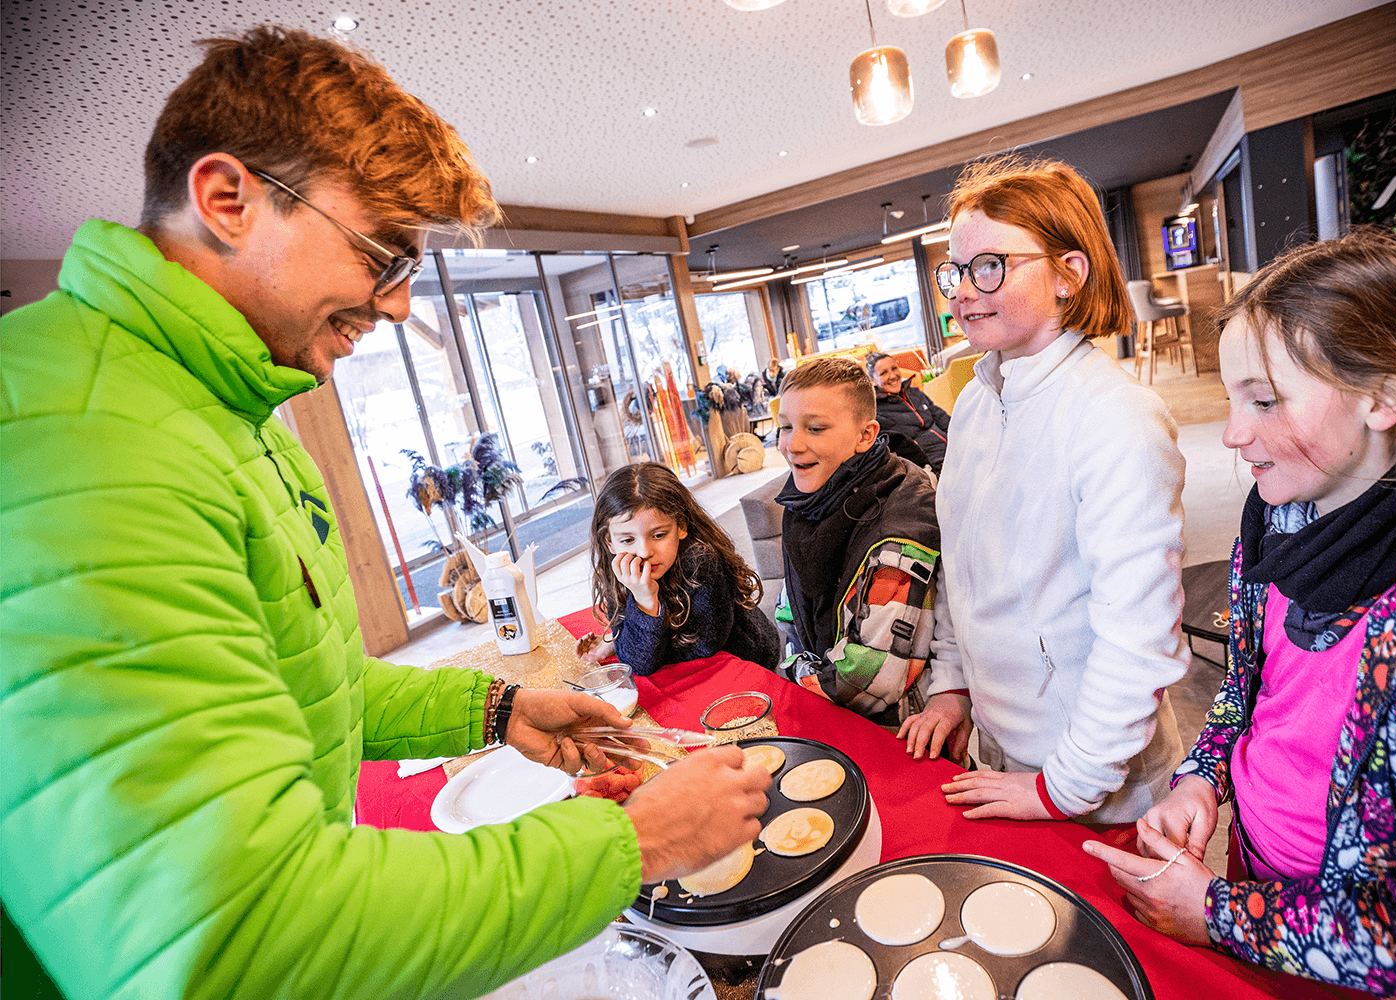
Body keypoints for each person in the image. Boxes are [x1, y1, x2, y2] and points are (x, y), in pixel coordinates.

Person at [0, 27, 770, 1000]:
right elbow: (239, 933)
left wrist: (495, 706)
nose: (401, 306)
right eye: (382, 254)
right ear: (226, 200)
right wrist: (634, 840)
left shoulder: (231, 411)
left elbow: (298, 676)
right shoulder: (91, 440)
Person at [1082, 231, 1396, 998]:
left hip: (1351, 955)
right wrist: (1201, 780)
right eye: (1233, 398)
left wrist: (1218, 913)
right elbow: (1246, 686)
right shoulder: (1274, 518)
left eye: (1264, 401)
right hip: (1250, 871)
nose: (1234, 434)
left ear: (1382, 396)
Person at [899, 157, 1189, 822]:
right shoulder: (976, 399)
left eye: (990, 266)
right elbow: (962, 572)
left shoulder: (1114, 415)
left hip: (1096, 782)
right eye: (956, 270)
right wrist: (952, 687)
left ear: (1068, 273)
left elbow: (1138, 639)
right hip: (1000, 749)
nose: (963, 291)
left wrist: (1064, 786)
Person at [774, 355, 965, 743]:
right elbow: (788, 613)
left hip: (895, 739)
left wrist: (794, 674)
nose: (793, 444)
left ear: (866, 435)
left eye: (815, 428)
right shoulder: (810, 500)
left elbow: (872, 682)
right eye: (786, 427)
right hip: (826, 711)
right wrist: (800, 666)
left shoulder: (899, 526)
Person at [579, 461, 780, 674]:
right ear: (609, 542)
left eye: (658, 535)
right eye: (628, 540)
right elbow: (637, 658)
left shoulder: (701, 562)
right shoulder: (620, 568)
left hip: (747, 662)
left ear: (681, 526)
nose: (645, 551)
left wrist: (644, 603)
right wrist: (615, 642)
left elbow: (701, 648)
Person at [866, 350, 951, 473]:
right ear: (872, 380)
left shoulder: (916, 394)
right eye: (883, 373)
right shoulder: (875, 412)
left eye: (894, 368)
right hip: (930, 467)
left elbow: (945, 421)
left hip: (954, 451)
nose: (892, 376)